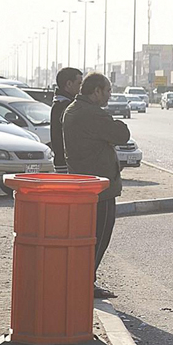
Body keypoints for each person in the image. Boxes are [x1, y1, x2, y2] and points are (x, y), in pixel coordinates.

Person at [62, 72, 131, 298]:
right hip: (99, 188)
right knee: (98, 237)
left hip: (86, 184)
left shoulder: (74, 109)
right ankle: (86, 282)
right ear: (96, 91)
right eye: (108, 91)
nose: (110, 96)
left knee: (89, 237)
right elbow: (122, 134)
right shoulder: (91, 114)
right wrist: (109, 130)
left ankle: (84, 280)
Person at [50, 67, 83, 173]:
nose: (81, 87)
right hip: (65, 162)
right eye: (79, 83)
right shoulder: (64, 106)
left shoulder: (64, 103)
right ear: (69, 84)